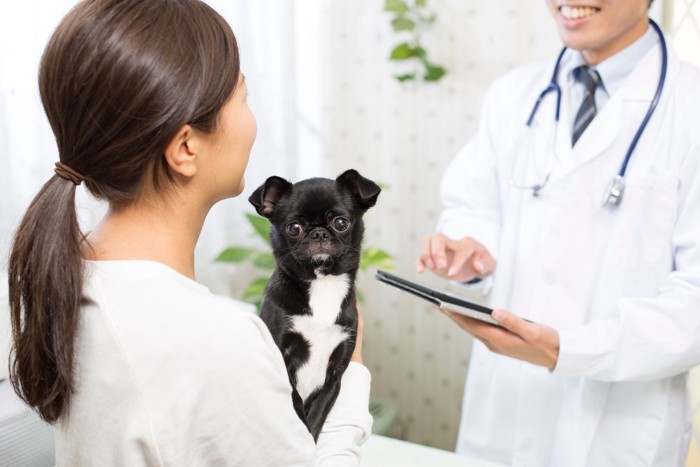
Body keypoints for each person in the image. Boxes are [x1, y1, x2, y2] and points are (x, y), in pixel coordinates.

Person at [7, 0, 372, 465]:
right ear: (185, 148)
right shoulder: (217, 342)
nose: (252, 119)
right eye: (244, 96)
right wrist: (354, 369)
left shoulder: (67, 280)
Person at [417, 1, 700, 466]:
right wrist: (472, 249)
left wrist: (565, 350)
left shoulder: (689, 107)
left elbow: (693, 302)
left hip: (619, 431)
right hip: (504, 414)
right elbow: (473, 205)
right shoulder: (514, 94)